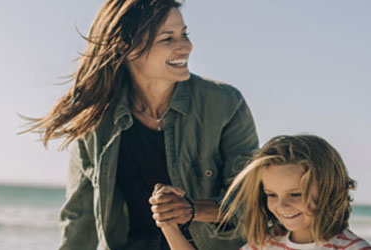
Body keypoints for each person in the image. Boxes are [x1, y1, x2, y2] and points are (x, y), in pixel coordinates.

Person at [24, 0, 258, 249]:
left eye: (184, 34)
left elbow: (250, 202)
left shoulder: (223, 104)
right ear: (127, 48)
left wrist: (191, 209)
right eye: (168, 39)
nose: (186, 47)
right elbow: (80, 218)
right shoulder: (94, 119)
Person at [158, 135, 371, 250]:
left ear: (331, 189)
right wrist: (168, 225)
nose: (282, 206)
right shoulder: (266, 244)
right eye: (271, 195)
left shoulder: (353, 249)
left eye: (296, 194)